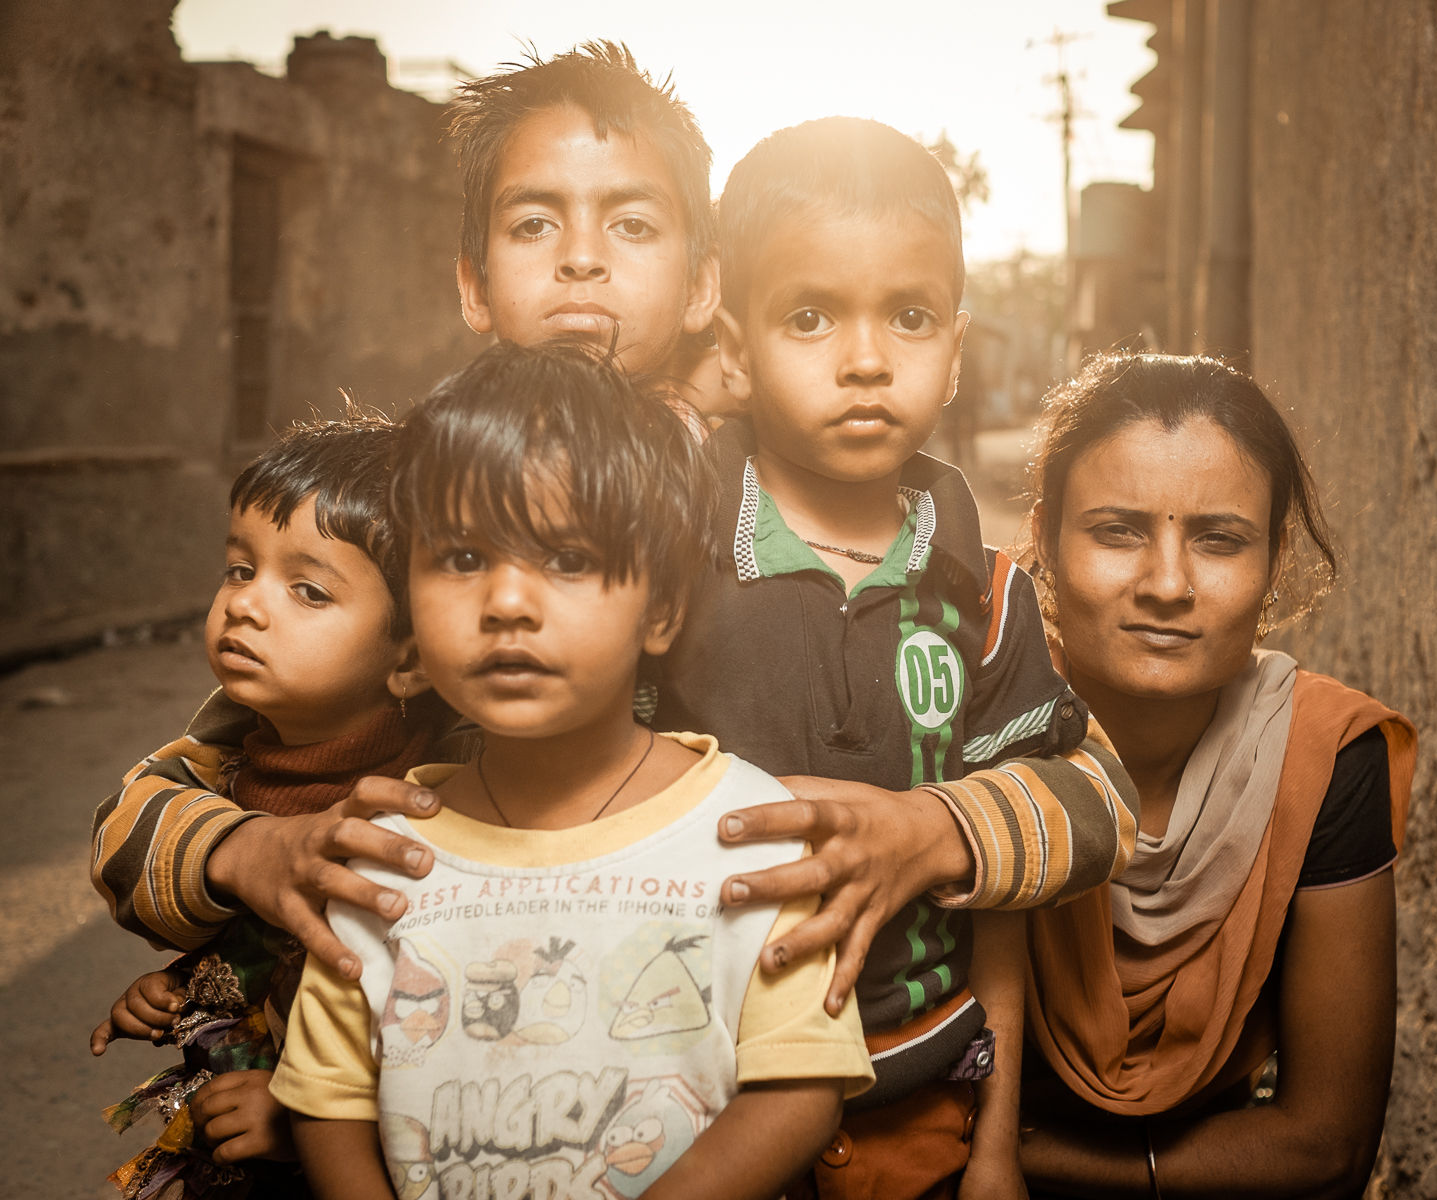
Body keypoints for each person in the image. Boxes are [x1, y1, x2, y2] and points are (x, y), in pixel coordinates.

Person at [89, 40, 720, 978]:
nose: (581, 260)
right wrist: (246, 849)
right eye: (535, 223)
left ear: (703, 282)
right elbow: (198, 768)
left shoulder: (758, 496)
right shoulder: (401, 500)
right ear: (472, 282)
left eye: (631, 225)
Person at [649, 117, 1135, 1200]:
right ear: (735, 345)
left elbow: (1075, 839)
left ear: (956, 349)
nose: (866, 359)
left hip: (919, 1107)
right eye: (809, 316)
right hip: (689, 1102)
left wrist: (996, 1148)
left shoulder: (989, 594)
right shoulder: (660, 564)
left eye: (909, 317)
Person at [268, 340, 873, 1200]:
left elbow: (801, 1092)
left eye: (568, 559)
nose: (508, 603)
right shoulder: (382, 856)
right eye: (464, 558)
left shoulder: (746, 832)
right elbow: (329, 1104)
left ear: (660, 609)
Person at [1010, 351, 1417, 1198]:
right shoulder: (973, 727)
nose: (1167, 583)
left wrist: (1023, 1159)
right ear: (1043, 541)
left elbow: (1328, 1150)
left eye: (1219, 540)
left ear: (1273, 567)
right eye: (1117, 531)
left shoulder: (1324, 755)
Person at [91, 415, 442, 1197]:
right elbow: (124, 840)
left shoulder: (434, 798)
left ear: (411, 658)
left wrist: (308, 1109)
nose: (246, 605)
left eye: (307, 589)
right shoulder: (219, 759)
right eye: (240, 569)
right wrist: (193, 988)